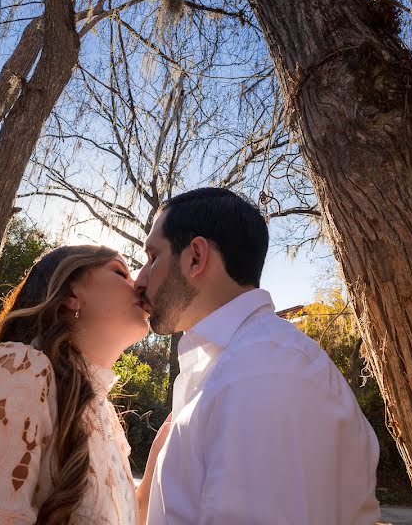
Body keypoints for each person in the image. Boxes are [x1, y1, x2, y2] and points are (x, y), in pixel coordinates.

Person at [134, 188, 382, 525]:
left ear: (195, 257)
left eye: (152, 257)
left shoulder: (263, 374)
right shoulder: (238, 364)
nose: (140, 278)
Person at [0, 245, 154, 525]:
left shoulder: (103, 415)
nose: (140, 285)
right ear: (71, 295)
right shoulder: (19, 368)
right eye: (121, 272)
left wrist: (158, 458)